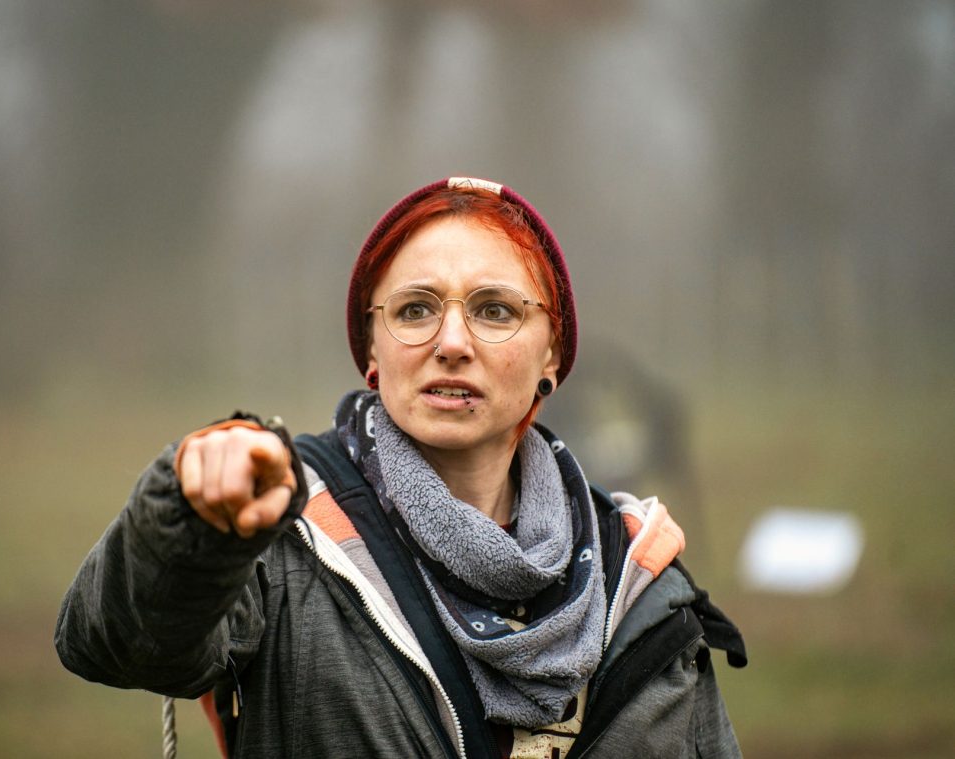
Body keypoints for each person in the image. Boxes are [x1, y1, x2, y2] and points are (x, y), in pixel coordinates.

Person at [55, 177, 747, 758]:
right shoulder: (281, 533)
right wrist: (194, 523)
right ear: (372, 349)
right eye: (415, 310)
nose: (452, 342)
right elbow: (113, 645)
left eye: (495, 310)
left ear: (553, 355)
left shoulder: (638, 577)